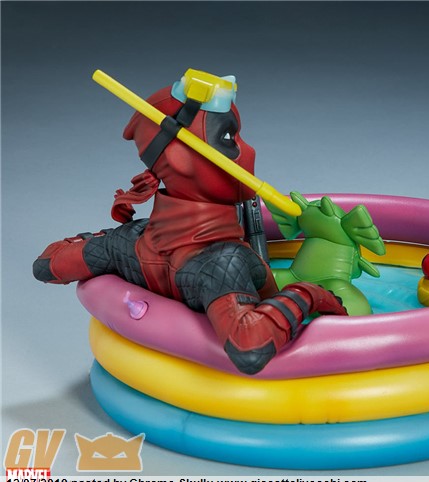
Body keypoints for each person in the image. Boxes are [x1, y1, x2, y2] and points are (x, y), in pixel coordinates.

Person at [33, 69, 347, 375]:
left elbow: (47, 265)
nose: (249, 150)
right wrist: (309, 294)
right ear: (179, 159)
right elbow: (249, 346)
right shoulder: (224, 264)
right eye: (228, 137)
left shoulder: (126, 242)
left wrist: (97, 242)